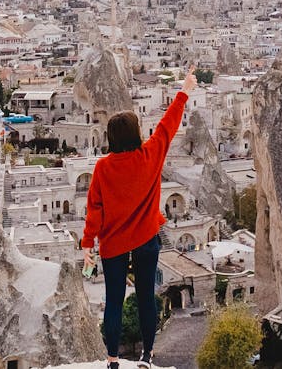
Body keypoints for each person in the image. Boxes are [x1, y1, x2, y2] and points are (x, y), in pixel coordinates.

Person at [82, 68, 196, 369]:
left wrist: (87, 244)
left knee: (114, 300)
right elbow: (168, 124)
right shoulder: (150, 154)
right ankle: (146, 355)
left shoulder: (103, 168)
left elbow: (94, 208)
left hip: (113, 243)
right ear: (135, 134)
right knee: (146, 296)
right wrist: (184, 90)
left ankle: (112, 358)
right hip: (146, 238)